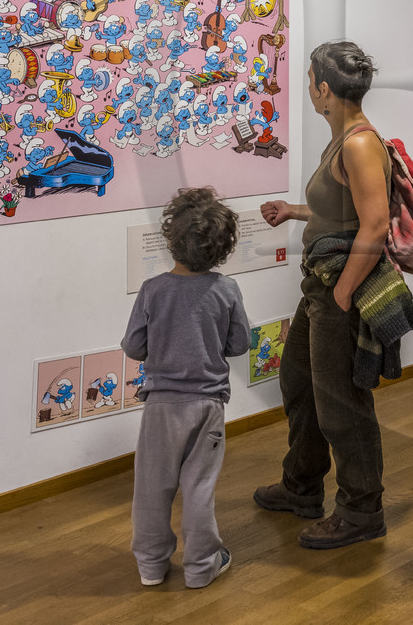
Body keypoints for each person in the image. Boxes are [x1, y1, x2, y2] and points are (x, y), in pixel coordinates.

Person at [254, 41, 402, 549]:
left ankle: (362, 510)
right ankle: (301, 487)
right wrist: (295, 212)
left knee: (342, 402)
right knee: (300, 383)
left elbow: (376, 224)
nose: (308, 90)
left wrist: (341, 295)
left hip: (338, 288)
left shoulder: (359, 143)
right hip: (320, 284)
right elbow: (342, 210)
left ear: (324, 89)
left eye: (310, 80)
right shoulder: (341, 139)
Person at [122, 187, 253, 589]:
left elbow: (133, 347)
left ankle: (151, 566)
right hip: (208, 405)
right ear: (223, 247)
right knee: (199, 488)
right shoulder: (226, 290)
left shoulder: (153, 289)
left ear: (170, 239)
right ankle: (200, 567)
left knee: (151, 488)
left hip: (161, 407)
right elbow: (240, 344)